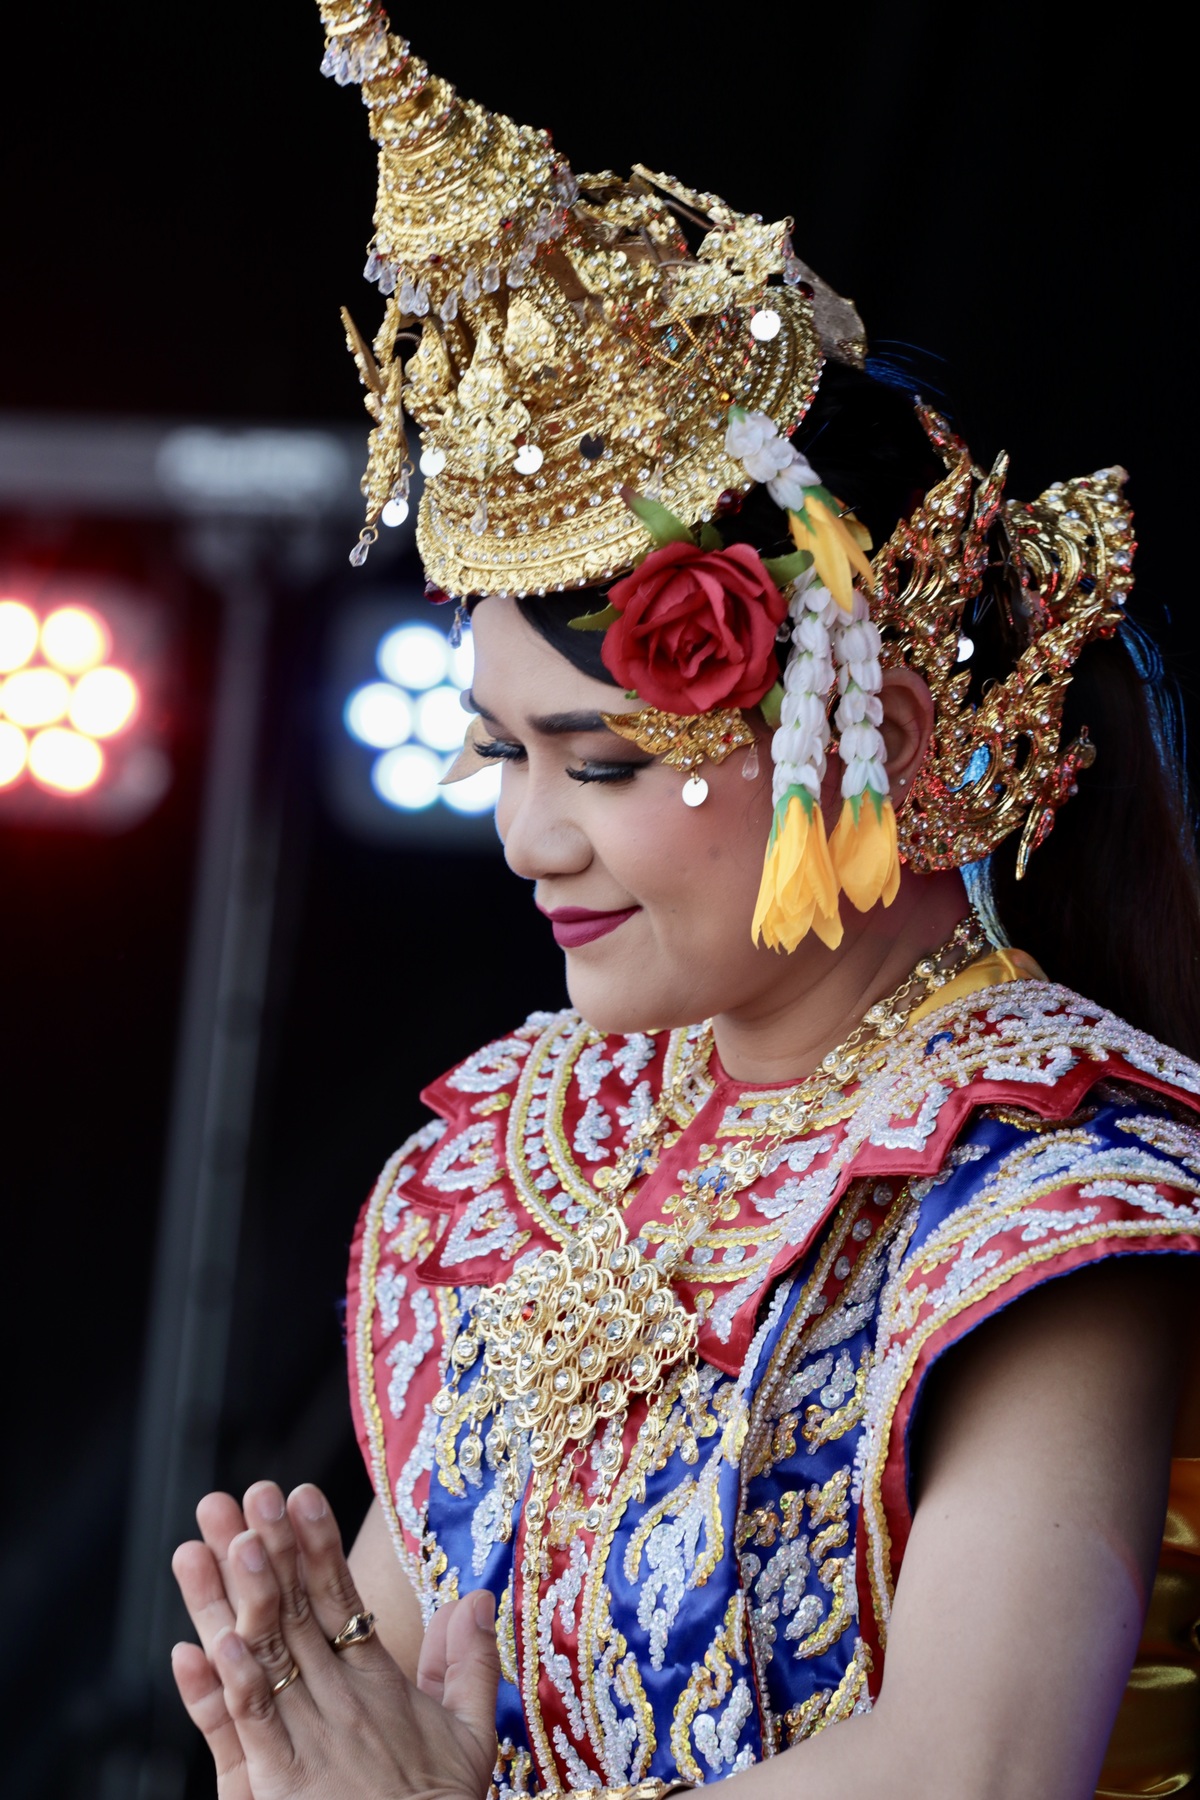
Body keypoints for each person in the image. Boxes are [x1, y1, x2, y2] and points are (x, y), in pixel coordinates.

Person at [170, 4, 1200, 1795]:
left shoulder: (1053, 1185)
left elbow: (974, 1768)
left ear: (868, 736)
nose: (527, 838)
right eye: (500, 754)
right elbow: (403, 1708)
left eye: (603, 763)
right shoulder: (532, 1147)